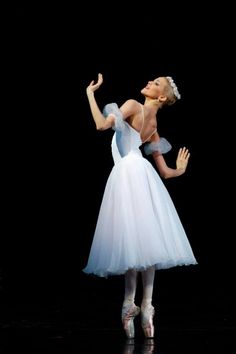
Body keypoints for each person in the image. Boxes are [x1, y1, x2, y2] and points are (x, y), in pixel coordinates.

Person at [83, 73, 197, 339]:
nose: (149, 82)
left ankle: (128, 304)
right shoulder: (154, 127)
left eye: (156, 83)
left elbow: (101, 125)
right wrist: (179, 170)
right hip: (144, 175)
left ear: (160, 97)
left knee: (133, 238)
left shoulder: (133, 105)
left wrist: (90, 93)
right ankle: (147, 305)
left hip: (127, 173)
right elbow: (166, 173)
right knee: (145, 239)